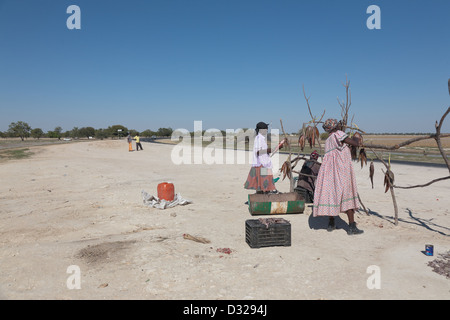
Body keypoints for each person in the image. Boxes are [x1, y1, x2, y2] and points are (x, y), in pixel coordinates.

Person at [313, 119, 364, 235]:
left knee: (333, 194)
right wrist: (356, 137)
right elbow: (355, 143)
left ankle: (331, 223)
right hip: (341, 171)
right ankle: (351, 227)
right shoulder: (339, 134)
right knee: (347, 194)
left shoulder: (329, 139)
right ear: (335, 126)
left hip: (329, 172)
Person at [244, 122, 277, 194]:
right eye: (266, 129)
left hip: (263, 163)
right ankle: (266, 195)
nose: (267, 130)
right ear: (261, 130)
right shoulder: (259, 139)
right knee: (265, 182)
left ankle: (262, 195)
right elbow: (258, 152)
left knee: (263, 184)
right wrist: (269, 150)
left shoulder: (261, 138)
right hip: (262, 164)